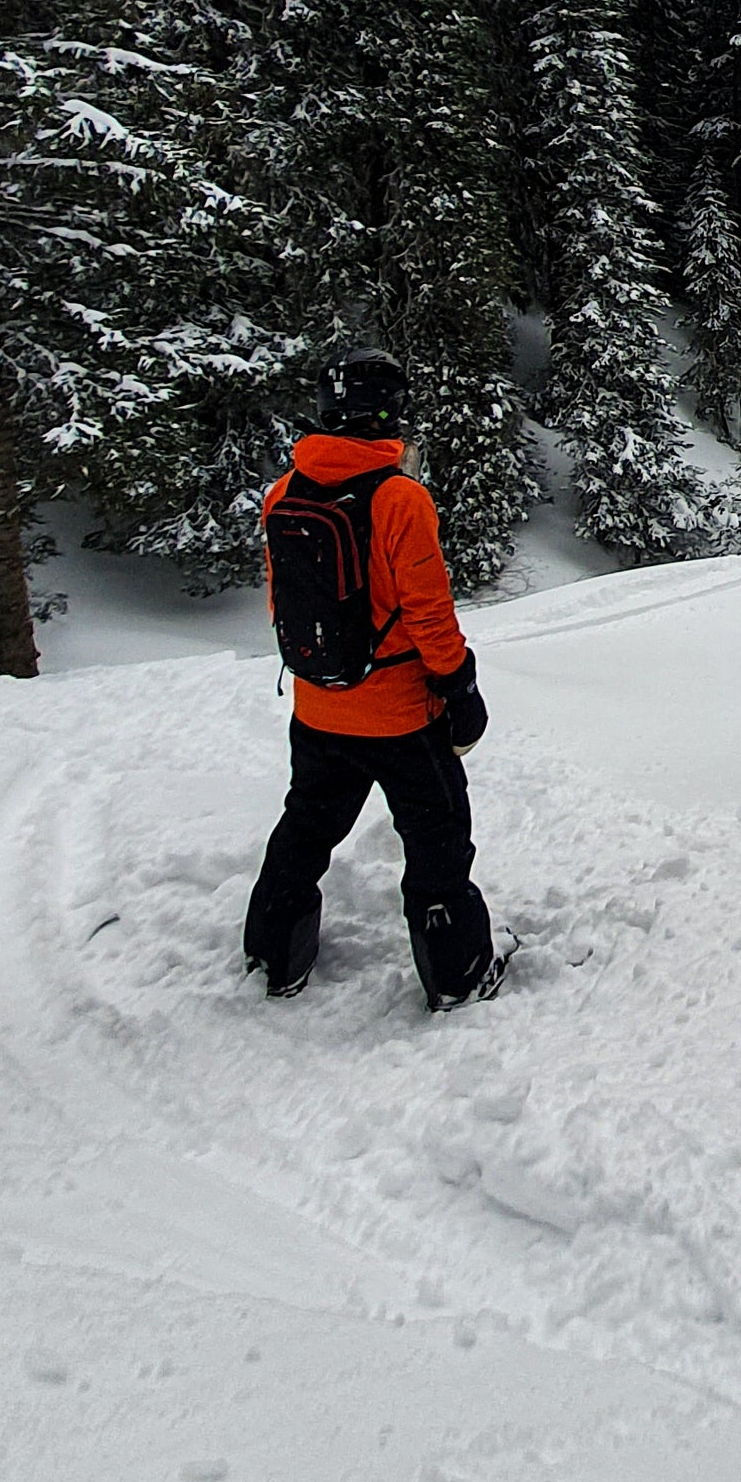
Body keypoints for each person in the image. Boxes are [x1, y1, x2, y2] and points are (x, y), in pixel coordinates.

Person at [241, 344, 507, 1010]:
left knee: (306, 825)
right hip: (397, 713)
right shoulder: (398, 497)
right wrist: (459, 686)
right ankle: (458, 971)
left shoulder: (282, 492)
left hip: (317, 705)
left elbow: (280, 605)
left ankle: (273, 952)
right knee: (438, 837)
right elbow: (428, 613)